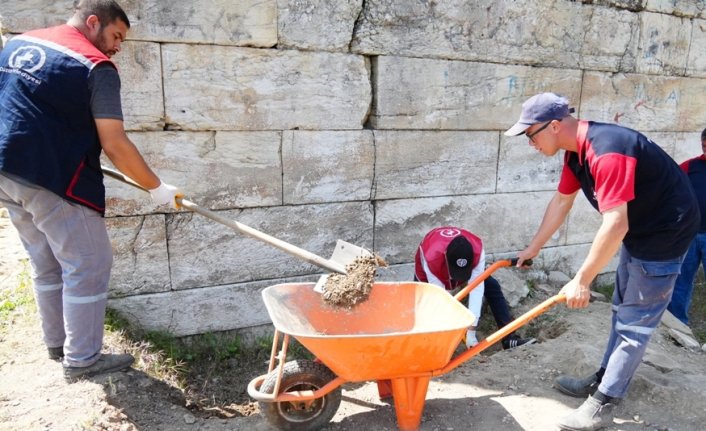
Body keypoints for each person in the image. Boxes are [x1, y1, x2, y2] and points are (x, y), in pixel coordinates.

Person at [0, 0, 182, 382]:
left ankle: (57, 343)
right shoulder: (96, 66)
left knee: (46, 261)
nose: (117, 46)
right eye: (116, 35)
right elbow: (115, 143)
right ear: (93, 21)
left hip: (6, 170)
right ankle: (82, 360)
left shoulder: (20, 44)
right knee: (88, 264)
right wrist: (157, 189)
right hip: (52, 177)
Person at [505, 92, 699, 431]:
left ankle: (603, 403)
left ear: (553, 126)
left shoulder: (607, 152)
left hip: (666, 232)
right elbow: (562, 202)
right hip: (641, 228)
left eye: (530, 134)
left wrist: (582, 279)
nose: (529, 143)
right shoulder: (575, 154)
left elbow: (615, 223)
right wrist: (533, 248)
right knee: (621, 308)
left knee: (635, 323)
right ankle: (602, 379)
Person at [414, 226, 536, 350]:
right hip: (431, 267)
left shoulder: (477, 250)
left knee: (492, 286)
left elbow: (476, 287)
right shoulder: (431, 257)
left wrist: (471, 329)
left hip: (458, 262)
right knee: (423, 304)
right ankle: (426, 345)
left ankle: (509, 338)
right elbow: (441, 298)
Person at [667, 128, 706, 326]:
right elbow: (670, 188)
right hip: (689, 235)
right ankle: (678, 327)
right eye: (704, 145)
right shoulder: (690, 167)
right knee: (681, 282)